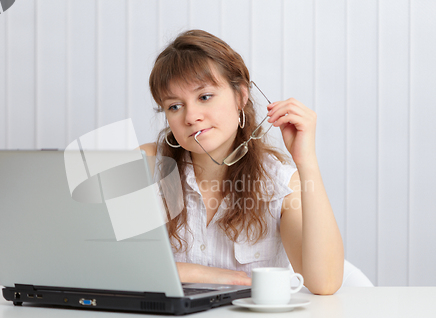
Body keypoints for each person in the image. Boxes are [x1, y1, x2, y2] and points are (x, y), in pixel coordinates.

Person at [140, 29, 344, 295]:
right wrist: (210, 276)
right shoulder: (146, 165)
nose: (190, 116)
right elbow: (109, 265)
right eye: (175, 106)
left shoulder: (280, 184)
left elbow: (324, 282)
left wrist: (306, 161)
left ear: (241, 97)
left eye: (204, 97)